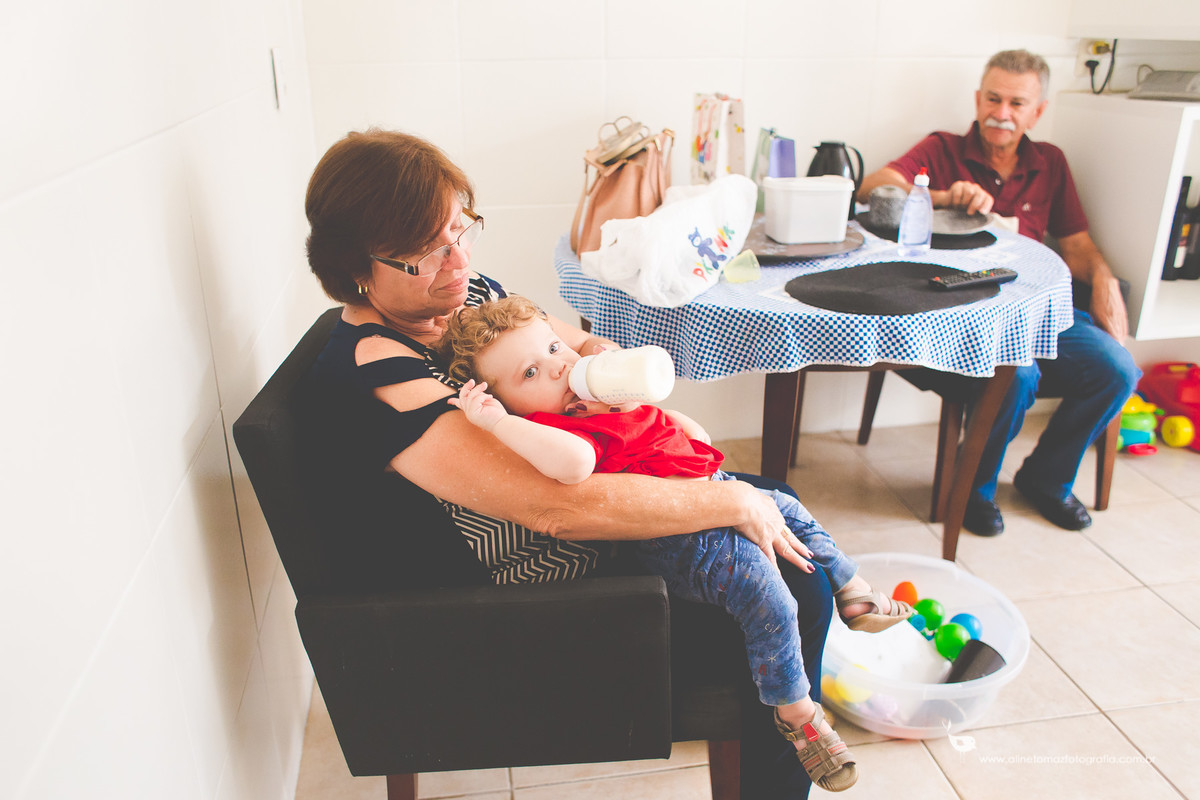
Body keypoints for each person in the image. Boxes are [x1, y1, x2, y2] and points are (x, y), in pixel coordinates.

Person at [302, 128, 835, 798]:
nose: (456, 259)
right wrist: (728, 502)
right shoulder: (377, 369)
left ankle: (779, 710)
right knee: (790, 567)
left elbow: (569, 337)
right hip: (537, 592)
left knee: (776, 503)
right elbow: (552, 508)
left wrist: (601, 363)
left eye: (460, 231)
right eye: (424, 253)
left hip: (588, 492)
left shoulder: (461, 296)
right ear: (357, 268)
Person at [437, 295, 918, 791]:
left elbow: (691, 435)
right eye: (531, 374)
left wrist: (633, 400)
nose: (559, 368)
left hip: (705, 490)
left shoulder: (599, 400)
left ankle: (853, 589)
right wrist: (497, 423)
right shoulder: (548, 429)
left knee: (787, 507)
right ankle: (796, 713)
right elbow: (575, 465)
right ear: (509, 403)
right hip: (679, 538)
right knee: (766, 590)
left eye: (556, 348)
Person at [858, 49, 1141, 537]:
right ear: (977, 98)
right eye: (993, 99)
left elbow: (1076, 246)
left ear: (1038, 111)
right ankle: (972, 490)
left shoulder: (1050, 162)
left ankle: (1046, 479)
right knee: (1017, 375)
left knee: (1117, 370)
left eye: (1016, 103)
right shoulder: (941, 148)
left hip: (1036, 311)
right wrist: (944, 195)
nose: (1002, 113)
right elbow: (873, 189)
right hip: (958, 315)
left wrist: (1105, 279)